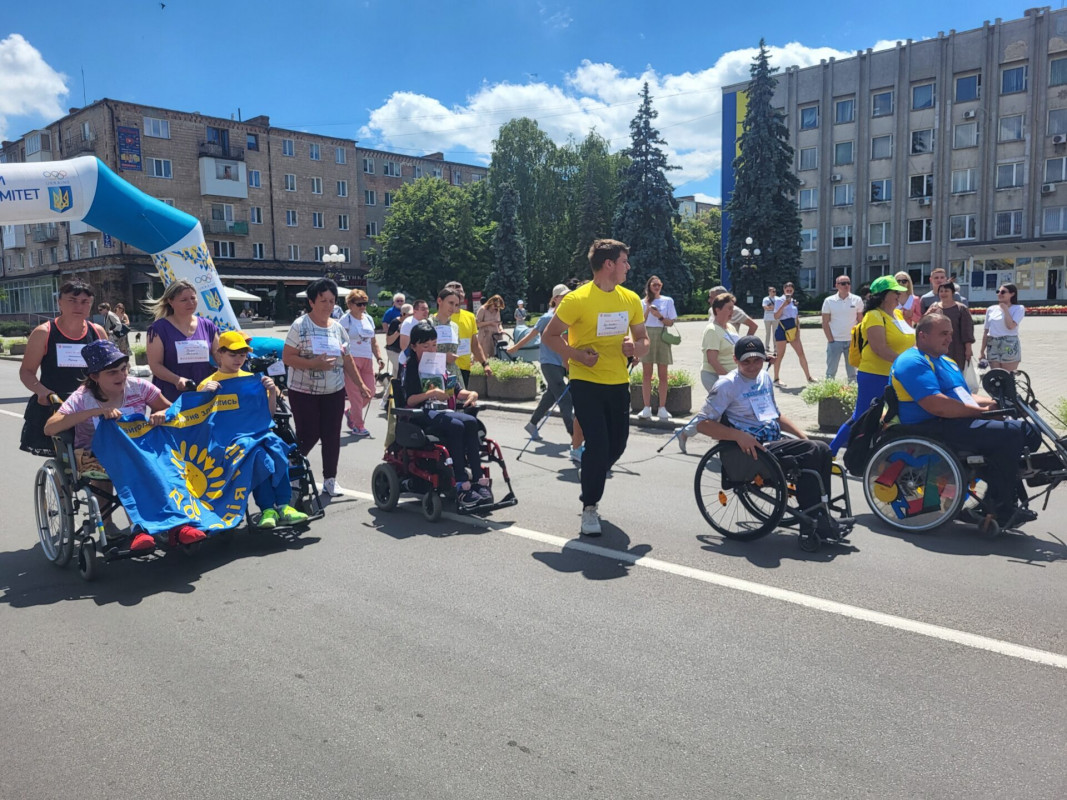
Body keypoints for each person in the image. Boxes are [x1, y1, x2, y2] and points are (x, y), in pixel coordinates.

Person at [43, 339, 205, 551]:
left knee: (168, 466)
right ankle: (139, 528)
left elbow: (172, 411)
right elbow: (50, 428)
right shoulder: (83, 397)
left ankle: (178, 525)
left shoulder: (139, 387)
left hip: (139, 449)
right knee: (134, 468)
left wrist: (160, 414)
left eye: (123, 369)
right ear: (94, 376)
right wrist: (96, 412)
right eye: (112, 373)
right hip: (95, 454)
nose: (121, 376)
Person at [692, 335, 852, 539]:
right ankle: (814, 520)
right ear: (735, 360)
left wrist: (802, 435)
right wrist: (738, 436)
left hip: (773, 441)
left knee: (821, 448)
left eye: (757, 360)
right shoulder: (727, 385)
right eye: (746, 361)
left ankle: (821, 511)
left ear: (764, 359)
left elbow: (775, 414)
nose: (752, 366)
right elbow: (702, 424)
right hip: (750, 449)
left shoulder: (764, 378)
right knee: (811, 451)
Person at [891, 313, 1040, 528]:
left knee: (1029, 431)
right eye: (943, 334)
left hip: (954, 420)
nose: (950, 339)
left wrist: (996, 405)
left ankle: (996, 490)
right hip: (930, 426)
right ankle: (1001, 505)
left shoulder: (947, 362)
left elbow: (966, 396)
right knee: (1011, 433)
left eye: (950, 333)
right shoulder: (912, 362)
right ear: (922, 336)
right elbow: (938, 405)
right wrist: (982, 413)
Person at [542, 238, 649, 536]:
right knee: (599, 444)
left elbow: (643, 340)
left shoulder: (630, 299)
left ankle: (590, 463)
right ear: (609, 264)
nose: (629, 267)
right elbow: (550, 337)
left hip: (618, 382)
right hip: (585, 380)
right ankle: (589, 507)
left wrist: (635, 347)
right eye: (624, 261)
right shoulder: (577, 299)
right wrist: (576, 355)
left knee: (617, 445)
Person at [197, 331, 309, 529]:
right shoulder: (208, 384)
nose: (239, 359)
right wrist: (204, 396)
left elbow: (268, 415)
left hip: (257, 435)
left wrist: (272, 392)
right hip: (227, 442)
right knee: (256, 454)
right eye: (233, 354)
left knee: (277, 447)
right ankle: (269, 508)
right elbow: (200, 422)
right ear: (219, 354)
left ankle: (282, 506)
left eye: (242, 355)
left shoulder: (253, 380)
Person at [282, 278, 373, 497]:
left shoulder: (338, 328)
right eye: (323, 301)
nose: (328, 305)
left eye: (332, 301)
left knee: (332, 435)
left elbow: (347, 358)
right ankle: (291, 469)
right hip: (304, 391)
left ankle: (330, 479)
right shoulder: (300, 325)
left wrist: (360, 385)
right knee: (309, 433)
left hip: (334, 390)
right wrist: (314, 364)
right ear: (312, 302)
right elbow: (287, 356)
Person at [398, 322, 492, 509]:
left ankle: (478, 480)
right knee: (456, 426)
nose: (431, 349)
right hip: (422, 415)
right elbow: (409, 400)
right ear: (414, 346)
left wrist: (472, 394)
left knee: (472, 422)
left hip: (443, 411)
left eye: (434, 344)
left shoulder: (439, 364)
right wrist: (431, 393)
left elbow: (455, 391)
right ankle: (461, 484)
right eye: (426, 346)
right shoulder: (411, 368)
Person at [19, 280, 108, 455]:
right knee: (67, 464)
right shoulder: (44, 332)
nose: (78, 306)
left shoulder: (97, 332)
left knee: (99, 462)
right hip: (56, 405)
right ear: (60, 302)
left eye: (85, 302)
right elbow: (27, 372)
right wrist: (42, 391)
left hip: (91, 404)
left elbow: (110, 369)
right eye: (72, 300)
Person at [828, 275, 915, 454]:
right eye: (895, 292)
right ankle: (830, 452)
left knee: (894, 416)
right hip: (875, 374)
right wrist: (907, 364)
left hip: (895, 374)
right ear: (883, 295)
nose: (899, 295)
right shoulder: (874, 316)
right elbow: (879, 349)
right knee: (861, 416)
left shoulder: (897, 314)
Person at [509, 283, 577, 447]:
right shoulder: (547, 318)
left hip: (562, 362)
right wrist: (515, 347)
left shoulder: (569, 316)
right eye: (563, 296)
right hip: (549, 363)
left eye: (569, 295)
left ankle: (532, 424)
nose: (567, 298)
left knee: (551, 396)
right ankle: (576, 437)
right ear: (555, 299)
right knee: (565, 399)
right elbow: (532, 335)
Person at [676, 292, 739, 453]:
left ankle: (688, 433)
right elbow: (712, 360)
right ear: (717, 310)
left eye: (733, 308)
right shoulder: (712, 330)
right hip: (714, 375)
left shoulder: (730, 327)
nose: (732, 312)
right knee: (718, 409)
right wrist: (728, 378)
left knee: (717, 410)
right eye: (729, 308)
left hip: (729, 376)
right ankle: (687, 433)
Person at [145, 279, 221, 403]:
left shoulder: (208, 326)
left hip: (205, 391)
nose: (190, 303)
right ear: (170, 301)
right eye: (184, 300)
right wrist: (176, 380)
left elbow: (220, 358)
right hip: (172, 394)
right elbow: (155, 365)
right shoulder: (158, 329)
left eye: (193, 298)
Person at [339, 289, 384, 437]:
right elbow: (338, 341)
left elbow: (373, 341)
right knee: (356, 395)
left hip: (367, 360)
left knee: (369, 392)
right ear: (350, 304)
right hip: (351, 360)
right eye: (359, 304)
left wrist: (379, 357)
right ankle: (358, 425)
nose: (363, 307)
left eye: (364, 303)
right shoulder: (345, 320)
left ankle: (351, 412)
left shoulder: (368, 319)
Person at [638, 275, 679, 420]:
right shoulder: (642, 302)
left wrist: (659, 316)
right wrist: (648, 310)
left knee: (663, 374)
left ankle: (662, 407)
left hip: (662, 335)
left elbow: (670, 323)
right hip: (647, 334)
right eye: (654, 285)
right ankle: (646, 407)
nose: (656, 287)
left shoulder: (667, 301)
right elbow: (639, 322)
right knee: (646, 374)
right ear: (649, 286)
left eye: (659, 285)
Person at [442, 281, 492, 387]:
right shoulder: (438, 318)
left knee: (462, 401)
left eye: (460, 291)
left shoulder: (470, 316)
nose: (458, 292)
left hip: (464, 367)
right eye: (453, 290)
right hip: (444, 369)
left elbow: (474, 344)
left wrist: (485, 364)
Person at [821, 275, 863, 382]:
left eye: (848, 283)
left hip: (851, 341)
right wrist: (831, 340)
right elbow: (825, 322)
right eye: (843, 283)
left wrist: (858, 339)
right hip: (835, 341)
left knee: (852, 373)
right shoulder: (829, 301)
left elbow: (861, 321)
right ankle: (828, 396)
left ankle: (852, 395)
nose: (846, 286)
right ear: (836, 285)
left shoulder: (857, 300)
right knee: (831, 373)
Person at [772, 282, 815, 384]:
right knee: (780, 355)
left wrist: (798, 330)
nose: (789, 291)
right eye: (787, 289)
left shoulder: (794, 301)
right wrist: (783, 305)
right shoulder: (779, 300)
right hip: (782, 328)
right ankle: (776, 378)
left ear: (793, 291)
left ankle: (809, 377)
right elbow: (776, 316)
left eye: (791, 290)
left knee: (801, 353)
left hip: (793, 328)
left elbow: (796, 317)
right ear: (784, 290)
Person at [926, 280, 975, 371]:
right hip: (937, 348)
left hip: (956, 348)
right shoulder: (934, 307)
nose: (943, 293)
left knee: (955, 372)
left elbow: (967, 330)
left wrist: (968, 349)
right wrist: (928, 314)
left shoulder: (961, 308)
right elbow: (924, 325)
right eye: (941, 291)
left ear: (952, 292)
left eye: (946, 291)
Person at [980, 282, 1025, 372]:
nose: (999, 294)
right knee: (995, 375)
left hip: (1009, 344)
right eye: (998, 292)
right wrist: (982, 351)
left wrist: (1005, 309)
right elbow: (986, 331)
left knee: (1007, 376)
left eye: (1003, 292)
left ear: (1012, 294)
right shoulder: (991, 309)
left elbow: (1011, 326)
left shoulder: (1018, 308)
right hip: (993, 344)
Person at [429, 287, 465, 388]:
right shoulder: (428, 324)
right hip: (433, 376)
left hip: (453, 377)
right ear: (439, 301)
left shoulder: (454, 326)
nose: (453, 308)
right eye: (450, 303)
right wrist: (443, 357)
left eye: (456, 305)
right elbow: (419, 354)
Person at [382, 302, 412, 407]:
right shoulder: (395, 322)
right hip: (393, 351)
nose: (411, 317)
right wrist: (398, 331)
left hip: (402, 353)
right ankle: (393, 400)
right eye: (409, 315)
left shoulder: (411, 323)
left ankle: (385, 401)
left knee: (396, 376)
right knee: (401, 374)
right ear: (403, 314)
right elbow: (389, 341)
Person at [476, 294, 505, 360]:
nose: (496, 308)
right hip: (485, 336)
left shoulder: (497, 310)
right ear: (491, 302)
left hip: (496, 336)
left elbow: (498, 323)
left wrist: (501, 329)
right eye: (495, 306)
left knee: (497, 355)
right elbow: (477, 324)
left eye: (498, 307)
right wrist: (490, 323)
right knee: (486, 355)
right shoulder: (483, 309)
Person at [761, 286, 778, 351]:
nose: (774, 292)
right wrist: (773, 308)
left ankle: (776, 347)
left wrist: (770, 307)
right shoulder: (765, 299)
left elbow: (778, 307)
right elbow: (765, 307)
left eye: (775, 291)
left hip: (775, 318)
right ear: (769, 292)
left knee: (775, 333)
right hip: (767, 318)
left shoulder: (777, 299)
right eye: (773, 291)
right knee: (768, 333)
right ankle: (766, 347)